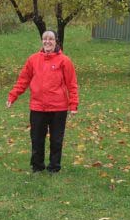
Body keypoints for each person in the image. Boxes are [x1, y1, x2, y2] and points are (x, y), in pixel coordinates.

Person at [6, 30, 79, 173]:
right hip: (38, 107)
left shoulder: (64, 61)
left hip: (58, 108)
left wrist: (73, 104)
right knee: (37, 139)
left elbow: (72, 84)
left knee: (56, 140)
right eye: (45, 39)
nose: (47, 41)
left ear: (56, 41)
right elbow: (23, 80)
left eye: (50, 39)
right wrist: (12, 96)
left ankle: (54, 167)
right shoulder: (33, 59)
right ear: (42, 41)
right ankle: (37, 167)